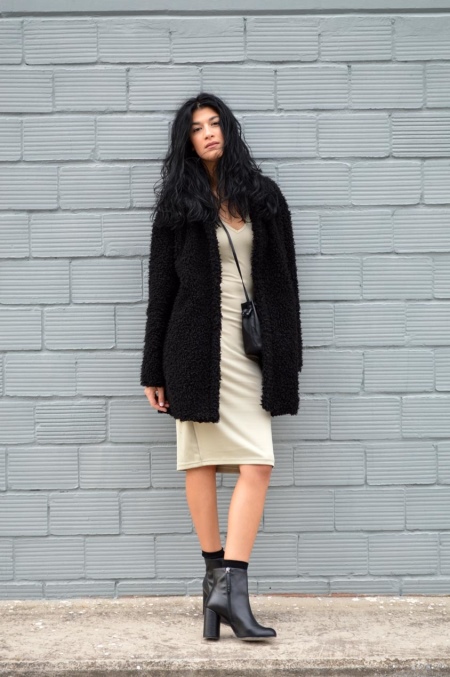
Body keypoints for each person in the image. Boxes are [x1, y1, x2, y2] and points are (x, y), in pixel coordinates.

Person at [140, 92, 303, 641]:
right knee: (202, 461)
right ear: (186, 141)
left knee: (257, 464)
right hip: (193, 350)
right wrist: (152, 369)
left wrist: (288, 354)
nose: (208, 133)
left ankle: (228, 590)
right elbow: (160, 294)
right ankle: (219, 586)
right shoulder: (177, 206)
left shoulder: (264, 196)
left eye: (215, 124)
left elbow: (286, 284)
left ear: (228, 131)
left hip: (251, 349)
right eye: (197, 127)